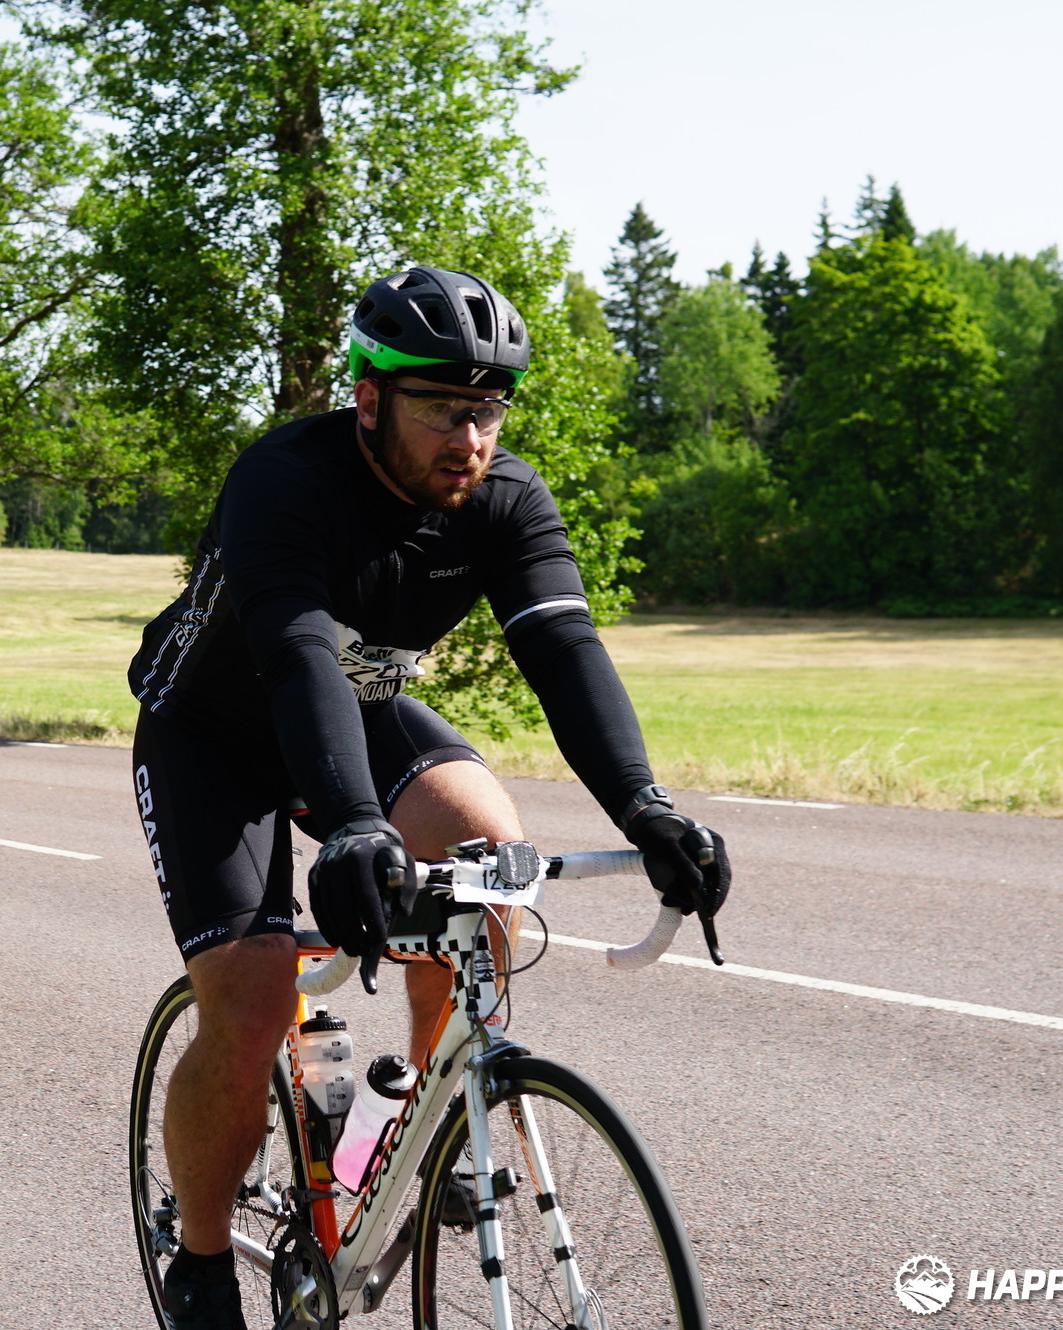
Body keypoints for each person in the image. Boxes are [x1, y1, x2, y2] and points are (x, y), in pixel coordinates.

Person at [127, 265, 730, 1328]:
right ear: (368, 398)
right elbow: (300, 653)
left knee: (493, 869)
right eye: (443, 407)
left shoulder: (504, 500)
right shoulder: (283, 480)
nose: (471, 436)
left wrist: (646, 809)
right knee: (256, 995)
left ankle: (425, 1119)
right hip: (215, 736)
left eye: (489, 408)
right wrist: (355, 823)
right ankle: (204, 1260)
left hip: (356, 709)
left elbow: (564, 653)